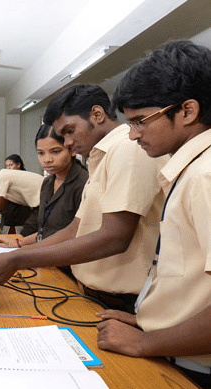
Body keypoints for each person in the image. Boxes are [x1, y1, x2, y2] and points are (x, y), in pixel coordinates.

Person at [0, 84, 168, 315]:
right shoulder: (99, 158)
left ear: (97, 115)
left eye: (70, 130)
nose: (67, 143)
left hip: (126, 299)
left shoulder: (127, 149)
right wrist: (16, 254)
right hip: (95, 292)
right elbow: (75, 229)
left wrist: (17, 260)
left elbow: (114, 237)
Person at [95, 41, 211, 386]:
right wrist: (154, 319)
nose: (132, 135)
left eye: (140, 121)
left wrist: (146, 341)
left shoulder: (205, 176)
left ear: (187, 111)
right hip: (176, 346)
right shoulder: (191, 169)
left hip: (195, 368)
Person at [0, 125, 89, 248]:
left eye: (56, 151)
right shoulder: (48, 182)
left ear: (72, 150)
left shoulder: (84, 184)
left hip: (70, 260)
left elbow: (76, 234)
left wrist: (26, 251)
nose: (47, 159)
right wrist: (19, 242)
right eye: (41, 153)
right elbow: (45, 231)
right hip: (47, 255)